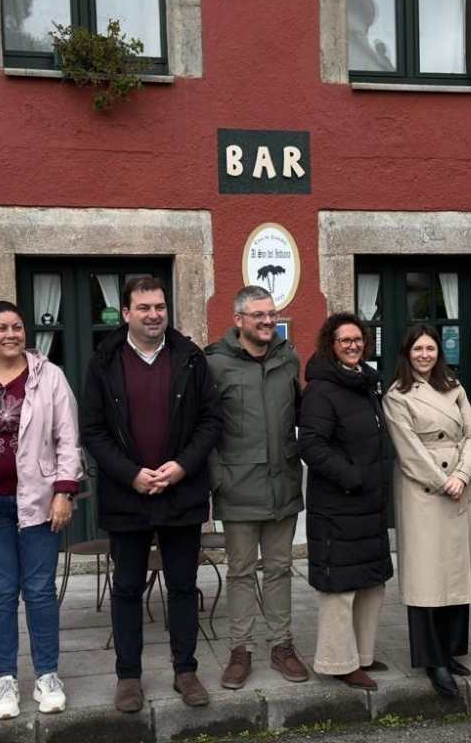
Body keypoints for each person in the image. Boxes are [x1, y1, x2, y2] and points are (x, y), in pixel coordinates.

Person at [81, 277, 223, 711]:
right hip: (128, 495)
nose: (153, 314)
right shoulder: (103, 361)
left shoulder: (191, 358)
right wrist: (130, 474)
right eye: (143, 307)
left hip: (181, 491)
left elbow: (211, 421)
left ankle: (186, 670)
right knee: (126, 588)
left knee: (182, 586)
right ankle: (129, 677)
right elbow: (93, 430)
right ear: (125, 313)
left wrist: (181, 467)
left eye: (159, 306)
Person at [0, 301, 82, 719]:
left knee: (40, 591)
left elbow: (68, 439)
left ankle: (47, 675)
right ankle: (5, 679)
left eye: (18, 327)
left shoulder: (50, 377)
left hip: (41, 502)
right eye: (1, 328)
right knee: (0, 592)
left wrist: (64, 491)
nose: (11, 334)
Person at [206, 286, 309, 690]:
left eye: (271, 314)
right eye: (258, 315)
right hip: (237, 486)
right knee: (241, 573)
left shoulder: (288, 359)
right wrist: (217, 478)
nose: (268, 321)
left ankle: (282, 646)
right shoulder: (215, 364)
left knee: (281, 570)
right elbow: (206, 428)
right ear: (239, 320)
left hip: (282, 483)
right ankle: (240, 651)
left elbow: (299, 414)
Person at [382, 325, 471, 697]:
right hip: (424, 490)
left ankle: (452, 649)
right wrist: (443, 481)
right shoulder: (397, 395)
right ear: (406, 354)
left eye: (431, 348)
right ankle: (433, 659)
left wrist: (461, 473)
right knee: (427, 577)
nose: (425, 355)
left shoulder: (453, 386)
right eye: (418, 349)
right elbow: (407, 449)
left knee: (457, 571)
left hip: (459, 484)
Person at [299, 312, 393, 691]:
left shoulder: (364, 383)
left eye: (358, 339)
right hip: (338, 503)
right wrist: (352, 476)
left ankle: (361, 656)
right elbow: (311, 444)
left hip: (367, 502)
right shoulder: (322, 389)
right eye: (344, 340)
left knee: (370, 582)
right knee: (340, 588)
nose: (353, 345)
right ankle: (338, 661)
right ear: (330, 345)